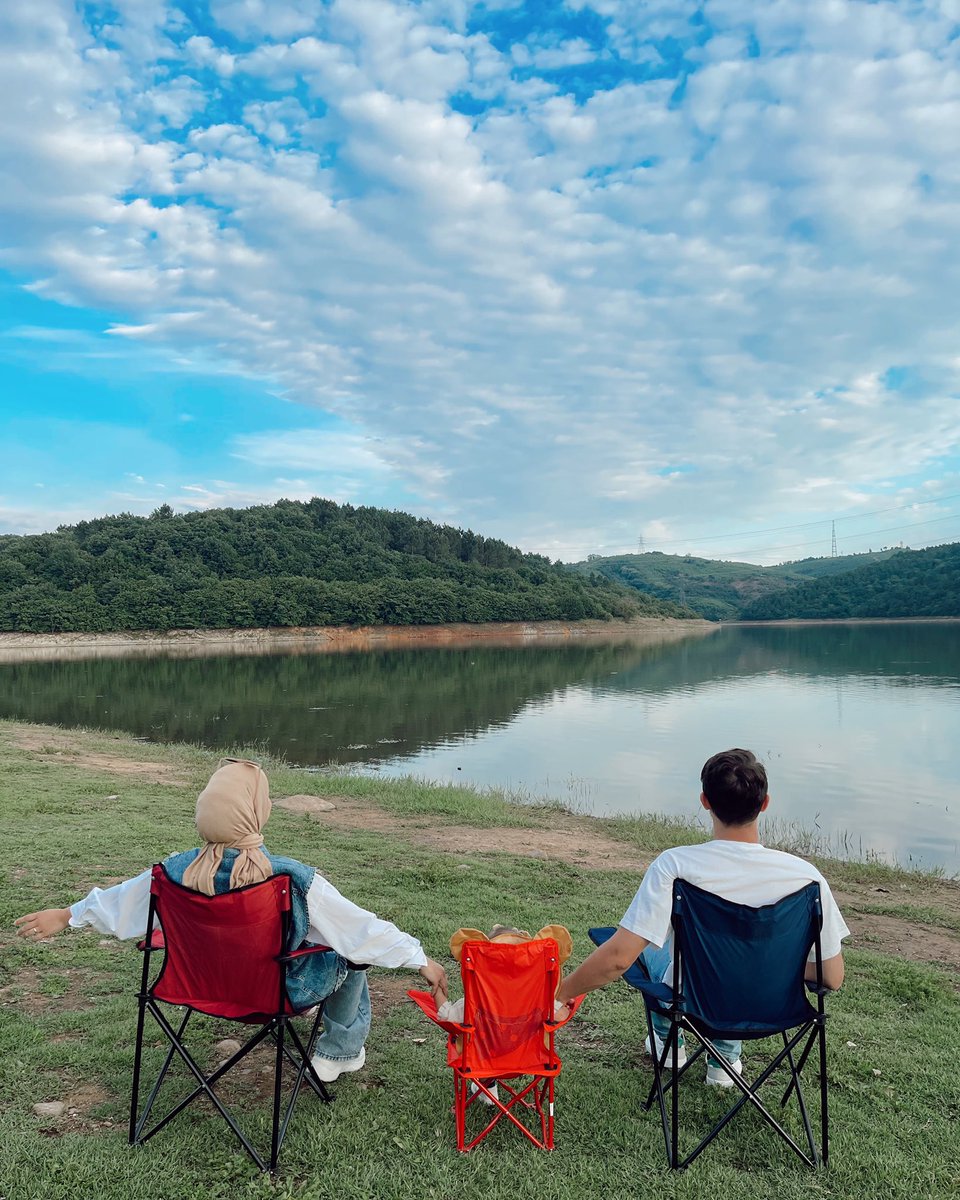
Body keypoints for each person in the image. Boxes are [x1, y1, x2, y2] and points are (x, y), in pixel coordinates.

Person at [15, 758, 448, 1083]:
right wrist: (419, 959)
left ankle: (334, 1049)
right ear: (255, 811)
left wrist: (67, 914)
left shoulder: (172, 872)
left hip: (196, 986)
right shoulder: (290, 879)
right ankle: (338, 1053)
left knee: (333, 941)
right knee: (349, 952)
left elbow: (119, 905)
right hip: (276, 994)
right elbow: (361, 931)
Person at [556, 748, 848, 1085]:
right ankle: (724, 1059)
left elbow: (619, 958)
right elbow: (832, 977)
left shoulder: (676, 867)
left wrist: (562, 993)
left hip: (693, 1002)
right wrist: (774, 966)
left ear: (705, 801)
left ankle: (669, 1042)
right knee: (734, 960)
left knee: (652, 946)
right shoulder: (807, 878)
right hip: (773, 1007)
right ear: (765, 803)